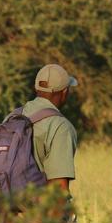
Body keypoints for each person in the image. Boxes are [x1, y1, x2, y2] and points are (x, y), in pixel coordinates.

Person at [22, 64, 80, 192]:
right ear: (64, 92)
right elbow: (59, 187)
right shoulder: (60, 126)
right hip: (34, 207)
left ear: (36, 88)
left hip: (0, 205)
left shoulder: (13, 116)